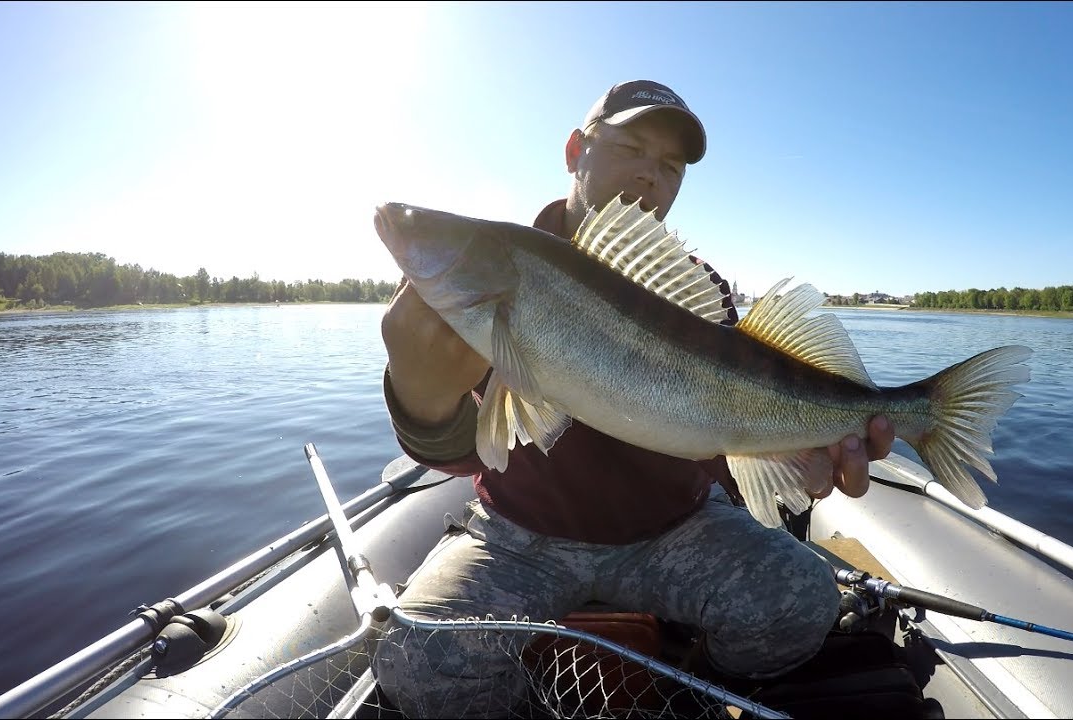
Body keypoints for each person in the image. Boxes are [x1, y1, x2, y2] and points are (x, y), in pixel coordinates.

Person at [374, 79, 896, 718]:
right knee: (416, 658)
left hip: (672, 529)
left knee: (802, 603)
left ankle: (692, 691)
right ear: (576, 150)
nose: (652, 176)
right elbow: (471, 450)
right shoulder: (507, 267)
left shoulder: (698, 291)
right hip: (520, 534)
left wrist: (791, 459)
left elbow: (714, 445)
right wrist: (421, 397)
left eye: (671, 166)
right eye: (631, 147)